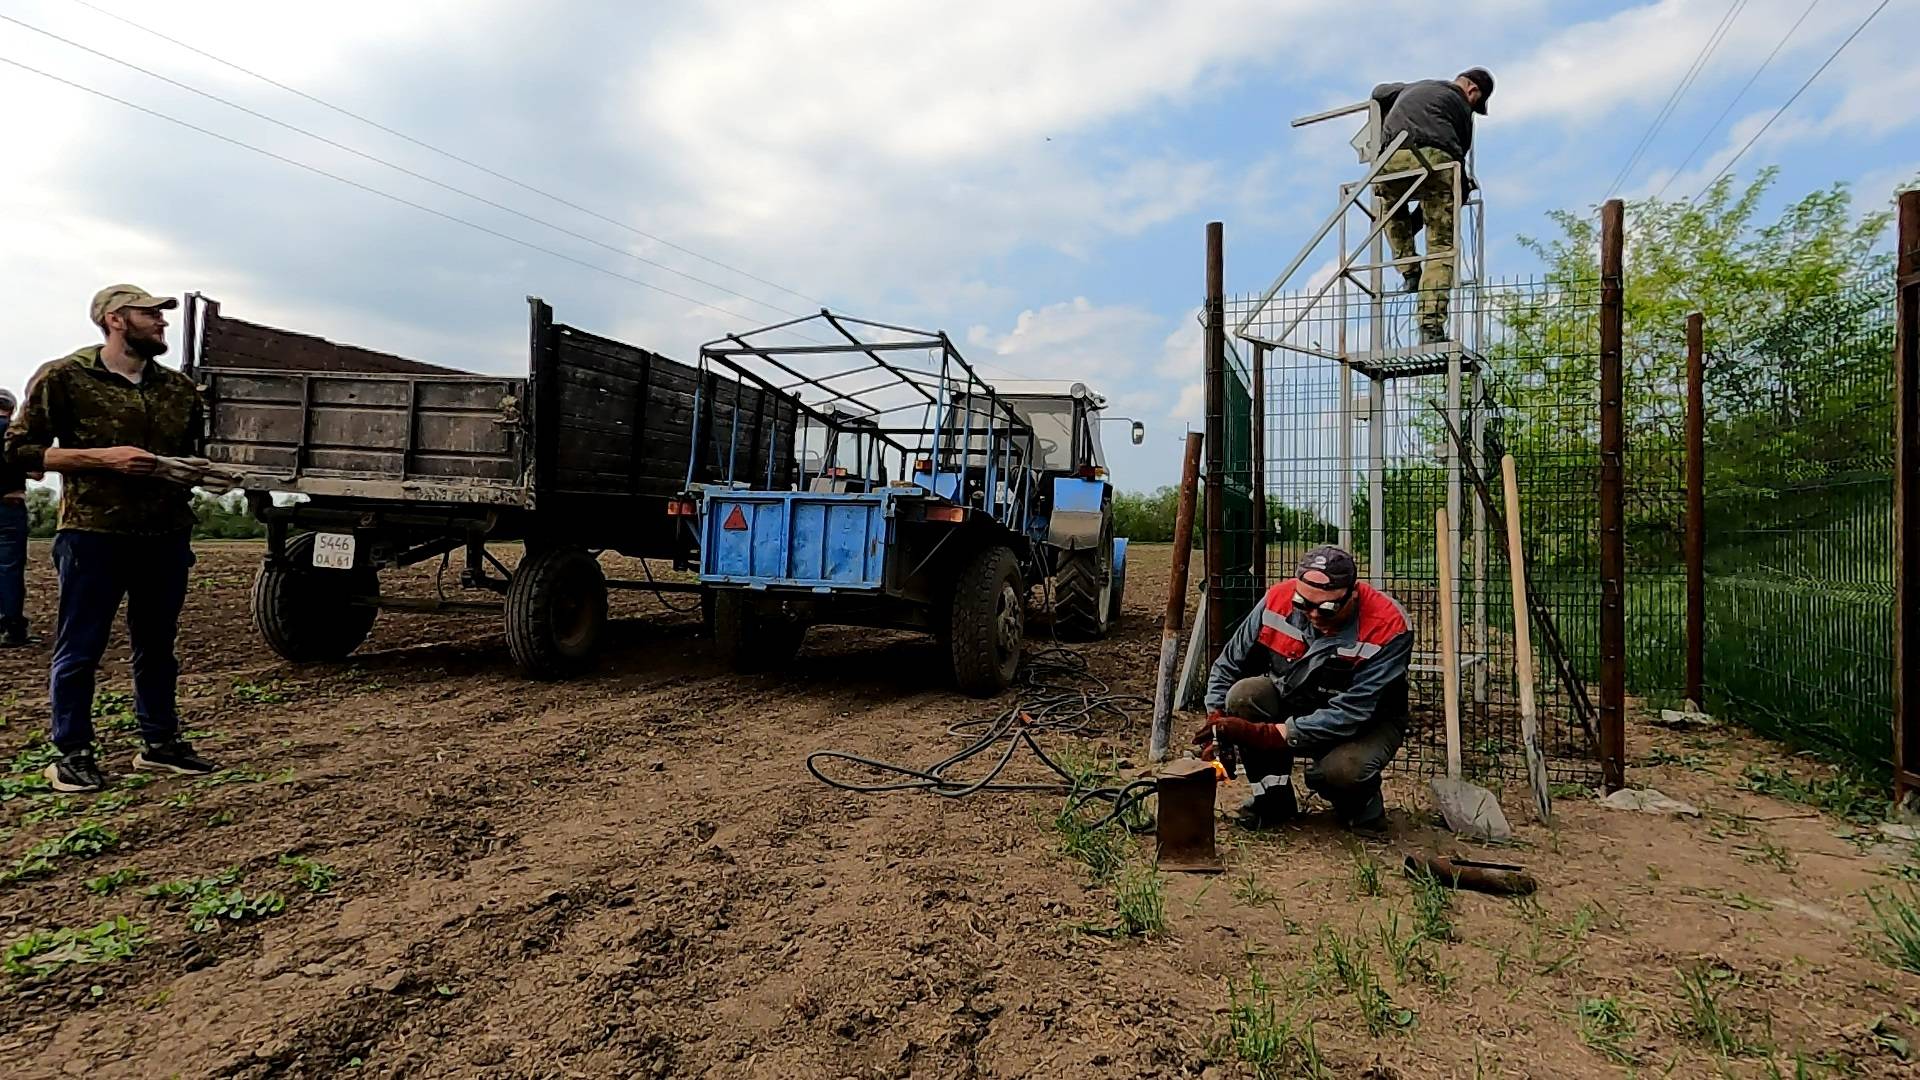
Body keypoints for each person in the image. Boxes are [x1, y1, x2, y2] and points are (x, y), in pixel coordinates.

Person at [3, 285, 218, 793]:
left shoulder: (178, 389)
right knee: (81, 647)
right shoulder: (64, 376)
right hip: (93, 534)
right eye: (151, 314)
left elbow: (195, 452)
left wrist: (202, 472)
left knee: (158, 646)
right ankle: (71, 753)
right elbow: (17, 452)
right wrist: (103, 458)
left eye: (162, 315)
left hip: (165, 534)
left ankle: (160, 744)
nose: (162, 323)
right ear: (115, 320)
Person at [1195, 545, 1412, 835]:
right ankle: (1273, 800)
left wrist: (1263, 734)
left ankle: (1362, 806)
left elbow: (1352, 712)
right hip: (1298, 699)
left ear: (1353, 594)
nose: (1313, 614)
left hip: (1368, 722)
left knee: (1343, 770)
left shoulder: (1389, 626)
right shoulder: (1277, 600)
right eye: (1302, 603)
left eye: (1327, 608)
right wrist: (1217, 721)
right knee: (1245, 695)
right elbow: (1228, 664)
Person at [1369, 67, 1494, 345]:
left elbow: (1378, 92)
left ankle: (1409, 271)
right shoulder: (1462, 109)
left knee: (1391, 208)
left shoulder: (1413, 87)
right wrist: (1462, 191)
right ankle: (1430, 327)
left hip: (1390, 159)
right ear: (1472, 90)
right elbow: (1457, 157)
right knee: (1440, 246)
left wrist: (1407, 91)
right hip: (1437, 160)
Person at [0, 387, 27, 647]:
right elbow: (38, 471)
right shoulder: (15, 433)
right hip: (10, 504)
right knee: (9, 567)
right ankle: (11, 626)